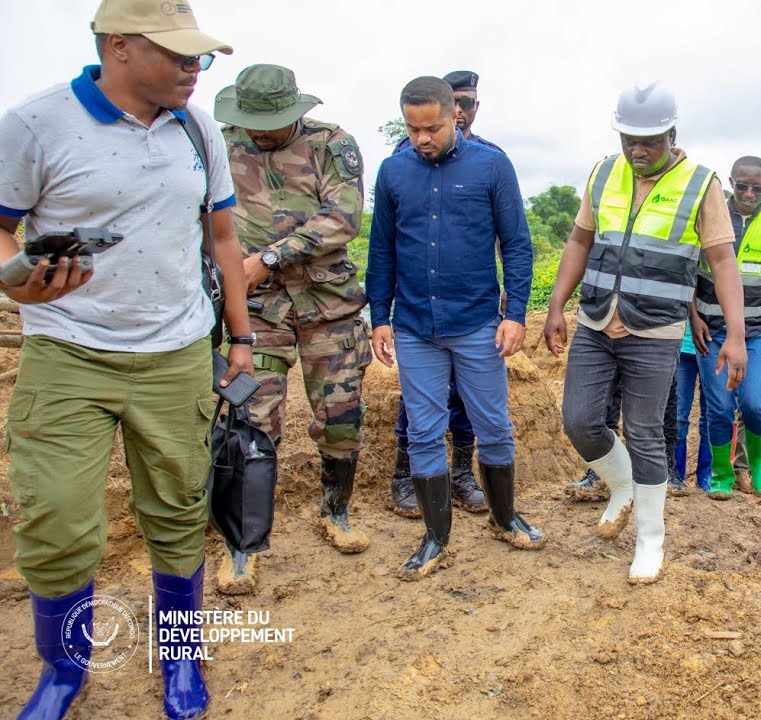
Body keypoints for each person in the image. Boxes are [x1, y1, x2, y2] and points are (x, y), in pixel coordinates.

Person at [0, 2, 246, 717]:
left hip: (175, 353)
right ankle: (63, 670)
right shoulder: (35, 124)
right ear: (119, 47)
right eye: (179, 55)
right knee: (55, 516)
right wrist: (17, 279)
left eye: (199, 56)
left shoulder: (198, 128)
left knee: (178, 508)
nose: (194, 68)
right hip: (68, 351)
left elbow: (223, 239)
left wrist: (239, 337)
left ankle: (179, 655)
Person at [544, 81, 747, 583]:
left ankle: (650, 539)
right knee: (579, 421)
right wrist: (556, 305)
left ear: (672, 134)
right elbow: (579, 241)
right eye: (628, 139)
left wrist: (736, 335)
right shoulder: (604, 172)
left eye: (649, 141)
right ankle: (622, 485)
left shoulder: (701, 183)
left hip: (655, 330)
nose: (637, 150)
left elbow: (723, 262)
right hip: (596, 320)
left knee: (644, 432)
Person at [368, 76, 543, 580]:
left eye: (433, 128)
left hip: (477, 324)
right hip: (415, 327)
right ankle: (435, 537)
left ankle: (504, 517)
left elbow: (517, 243)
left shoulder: (491, 166)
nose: (422, 138)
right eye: (413, 129)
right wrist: (379, 317)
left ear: (455, 117)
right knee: (423, 431)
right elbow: (381, 249)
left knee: (494, 426)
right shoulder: (393, 171)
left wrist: (516, 314)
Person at [216, 64, 371, 595]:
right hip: (256, 311)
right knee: (252, 420)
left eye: (272, 125)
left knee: (341, 416)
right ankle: (242, 544)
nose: (261, 134)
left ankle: (336, 512)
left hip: (328, 304)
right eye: (253, 124)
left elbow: (342, 218)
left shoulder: (332, 145)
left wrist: (268, 257)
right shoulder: (221, 146)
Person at [388, 70, 496, 519]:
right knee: (418, 400)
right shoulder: (403, 158)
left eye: (469, 102)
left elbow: (503, 235)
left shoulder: (489, 159)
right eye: (457, 101)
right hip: (419, 307)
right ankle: (405, 473)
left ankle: (463, 472)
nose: (463, 110)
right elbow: (392, 238)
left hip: (471, 303)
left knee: (469, 398)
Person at [693, 156, 761, 499]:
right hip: (712, 331)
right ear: (731, 182)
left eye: (758, 188)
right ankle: (722, 473)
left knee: (756, 403)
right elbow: (688, 272)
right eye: (742, 186)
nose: (749, 194)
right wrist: (693, 316)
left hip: (757, 332)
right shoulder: (709, 214)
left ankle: (760, 464)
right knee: (720, 407)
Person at [675, 325, 712, 489]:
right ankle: (676, 473)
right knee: (678, 415)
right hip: (683, 345)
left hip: (714, 347)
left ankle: (706, 475)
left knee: (711, 415)